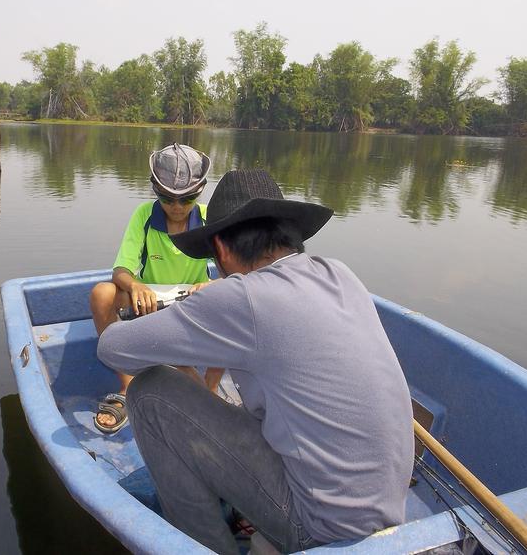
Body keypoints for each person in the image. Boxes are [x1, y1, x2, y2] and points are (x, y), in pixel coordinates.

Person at [97, 169, 414, 554]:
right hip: (386, 511)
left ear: (223, 250)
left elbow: (112, 347)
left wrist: (177, 312)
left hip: (317, 527)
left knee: (149, 393)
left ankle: (208, 547)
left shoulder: (242, 298)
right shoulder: (340, 274)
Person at [89, 143, 221, 434]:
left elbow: (235, 273)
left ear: (199, 192)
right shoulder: (144, 216)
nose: (176, 207)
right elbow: (120, 270)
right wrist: (135, 285)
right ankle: (127, 387)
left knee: (231, 299)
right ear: (154, 190)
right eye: (166, 198)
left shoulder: (209, 218)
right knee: (102, 293)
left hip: (191, 307)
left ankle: (209, 392)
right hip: (149, 307)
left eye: (185, 199)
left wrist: (212, 285)